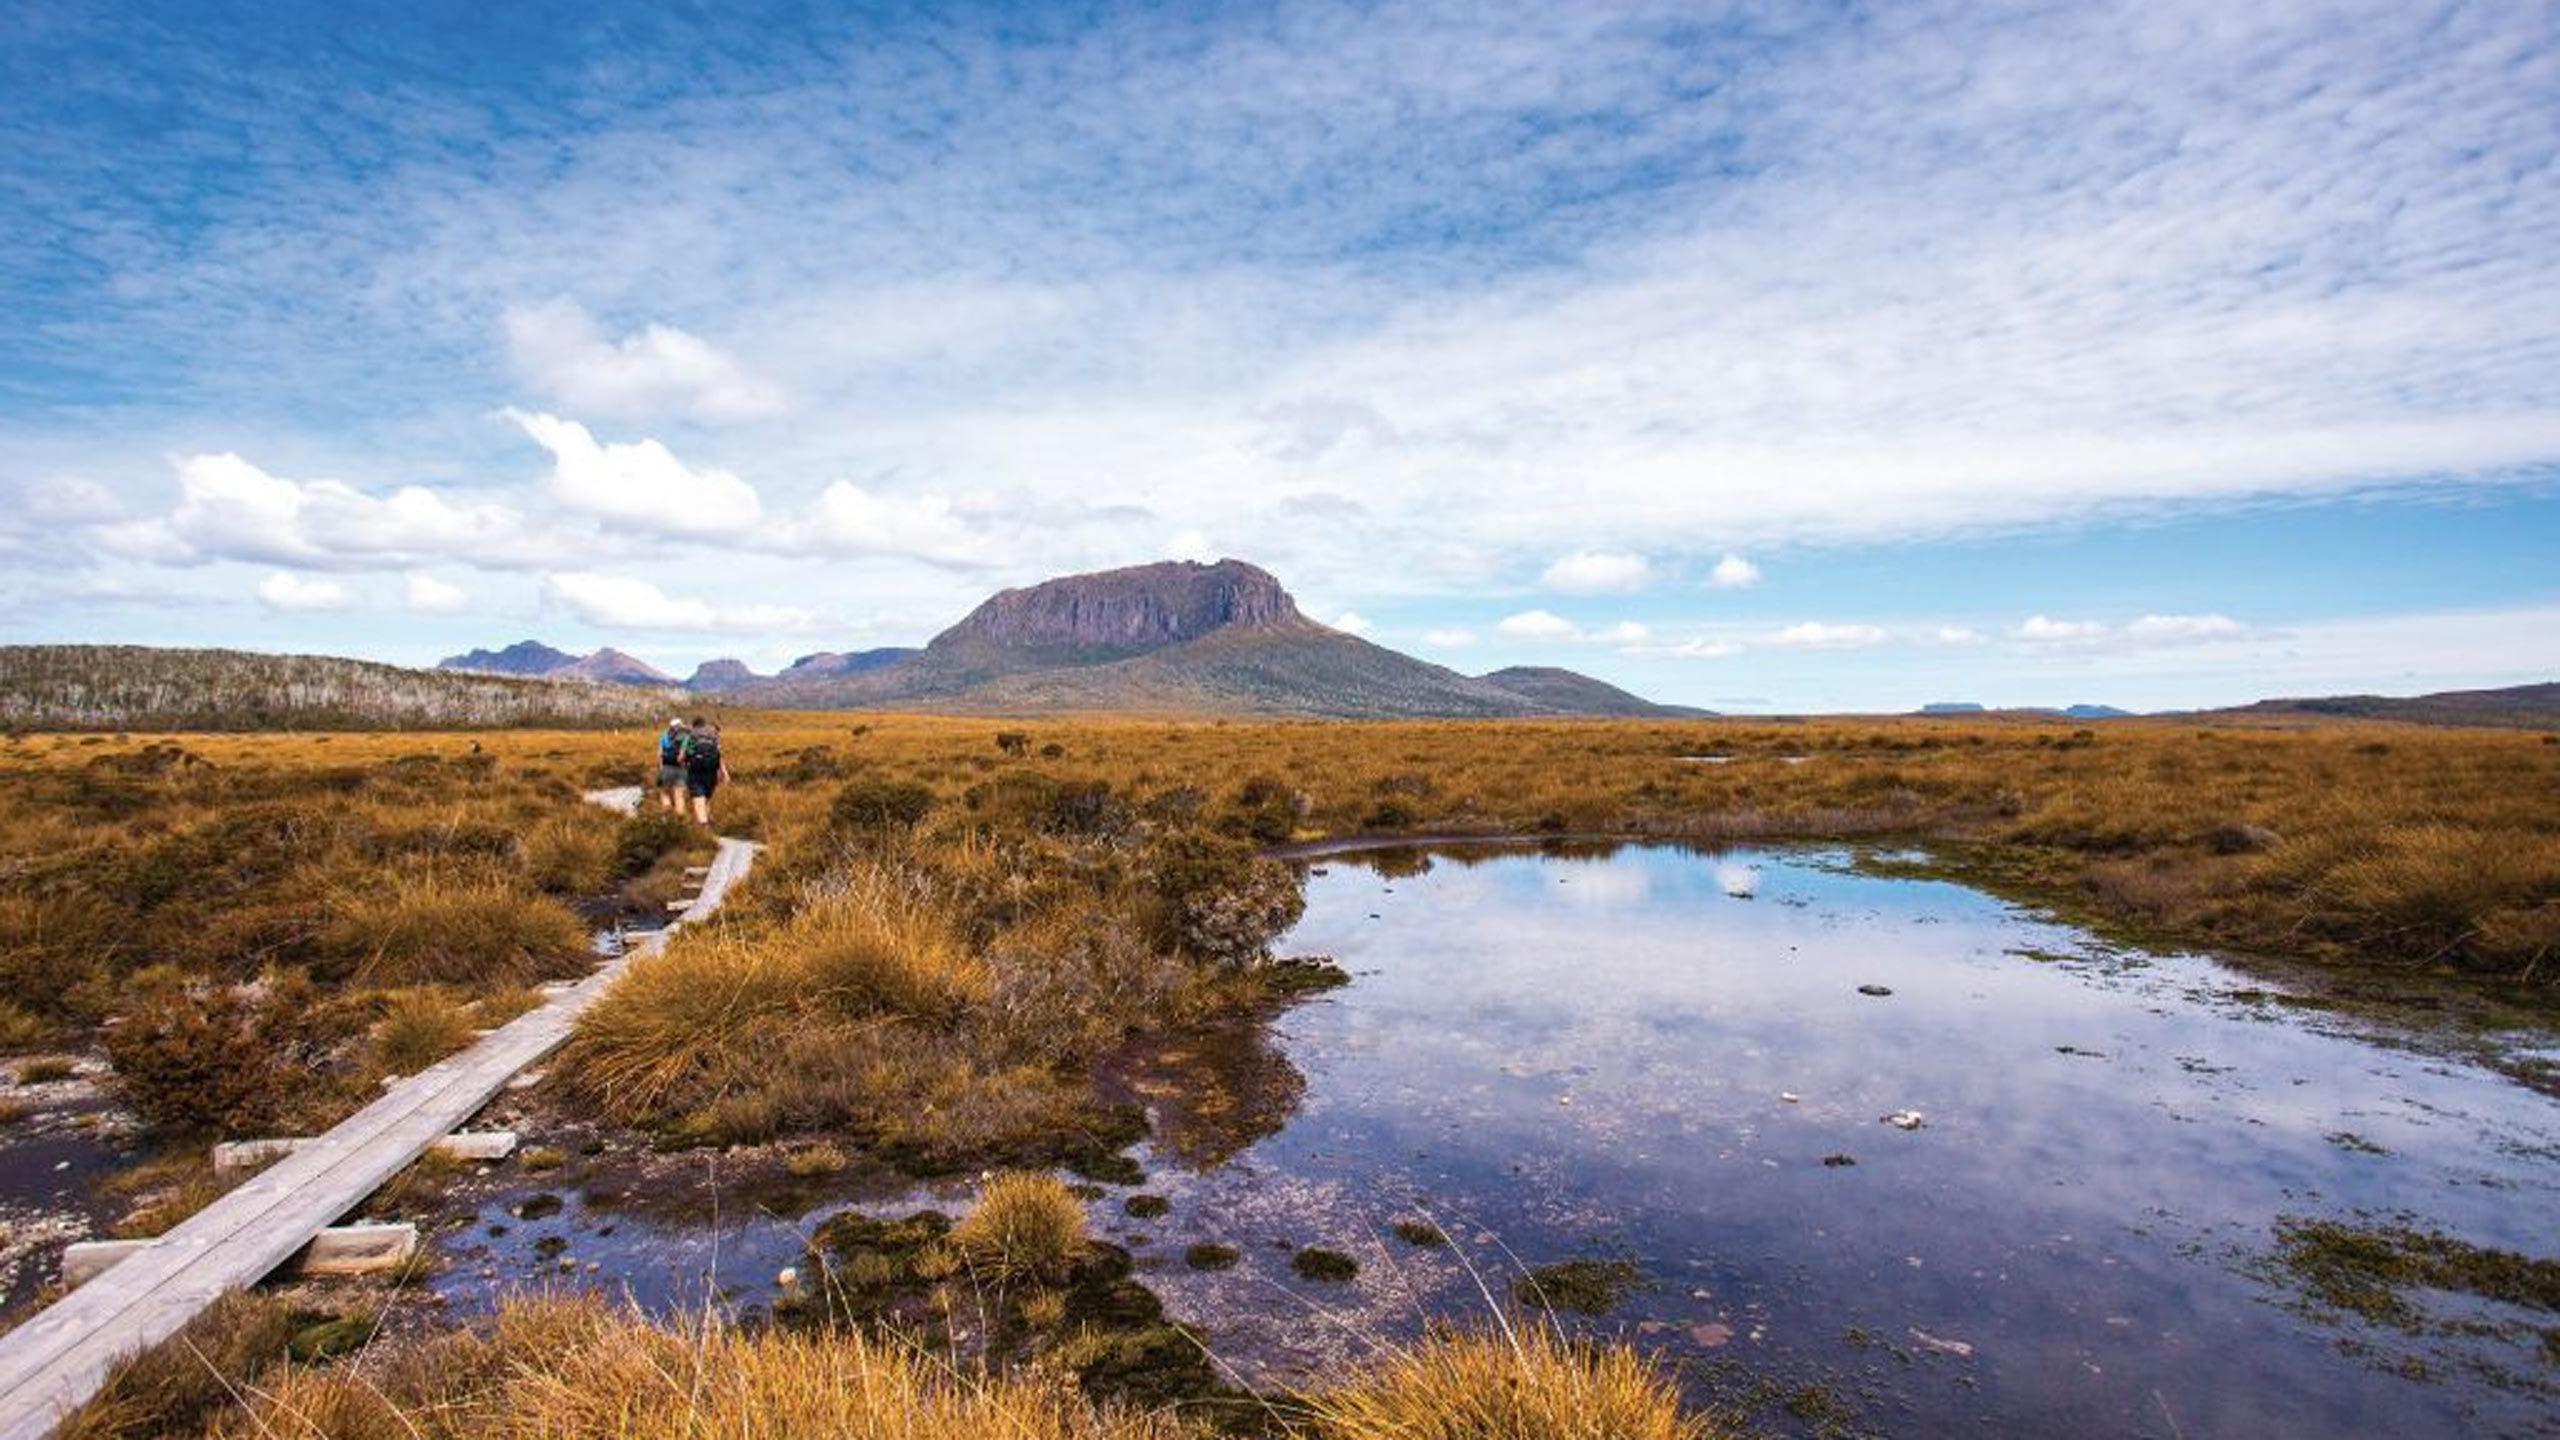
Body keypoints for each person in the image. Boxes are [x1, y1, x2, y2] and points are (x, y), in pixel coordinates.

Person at [681, 716, 730, 826]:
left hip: (695, 770)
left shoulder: (691, 735)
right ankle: (707, 822)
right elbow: (719, 755)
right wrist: (724, 773)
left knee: (698, 798)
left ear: (693, 725)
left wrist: (683, 764)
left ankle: (703, 825)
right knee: (706, 798)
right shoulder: (713, 735)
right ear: (704, 724)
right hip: (712, 771)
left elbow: (681, 756)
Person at [655, 718, 690, 814]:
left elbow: (659, 754)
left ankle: (667, 816)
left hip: (667, 767)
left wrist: (660, 767)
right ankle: (680, 818)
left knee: (664, 792)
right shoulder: (686, 736)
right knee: (679, 794)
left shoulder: (664, 735)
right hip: (682, 768)